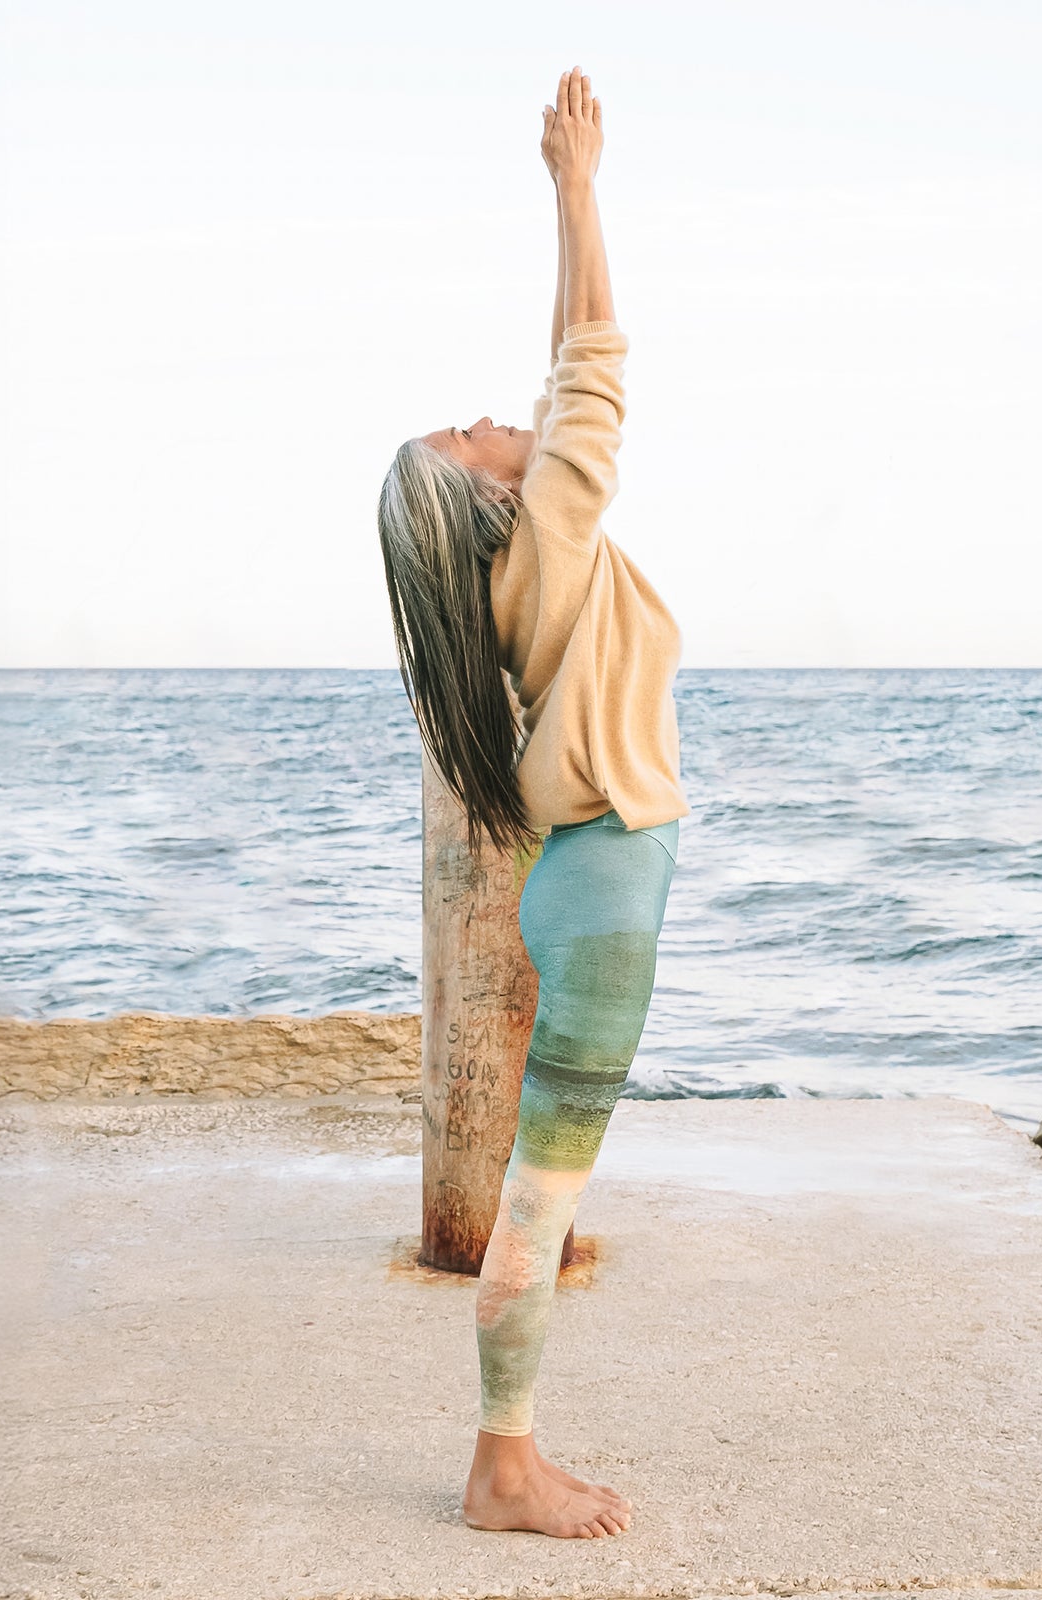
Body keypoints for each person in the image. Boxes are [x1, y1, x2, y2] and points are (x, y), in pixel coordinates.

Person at [377, 66, 690, 1540]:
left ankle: (506, 1453)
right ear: (491, 500)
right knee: (541, 1203)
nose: (492, 418)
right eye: (469, 436)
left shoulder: (521, 559)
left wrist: (566, 191)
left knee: (540, 1191)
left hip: (594, 877)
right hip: (607, 891)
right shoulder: (544, 547)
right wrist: (576, 191)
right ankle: (504, 1467)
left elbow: (570, 380)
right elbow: (599, 369)